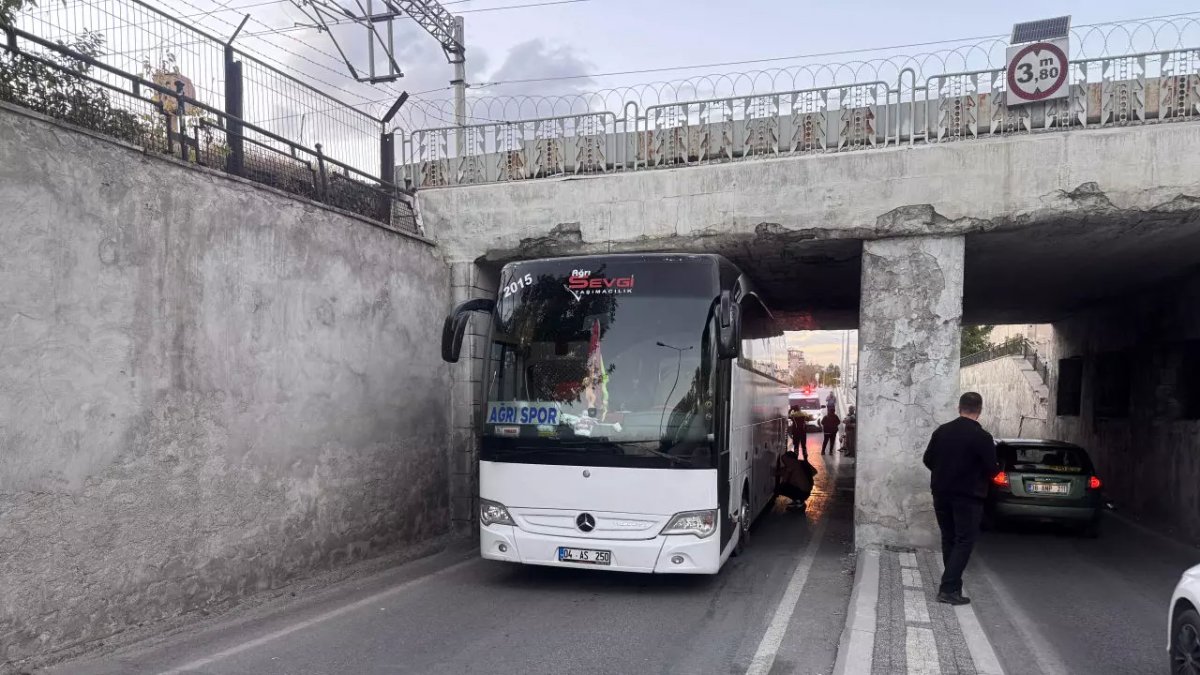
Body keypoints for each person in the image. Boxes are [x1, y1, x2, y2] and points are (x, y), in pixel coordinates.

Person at [922, 392, 998, 606]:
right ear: (980, 410)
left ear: (959, 408)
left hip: (941, 492)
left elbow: (927, 459)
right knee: (964, 540)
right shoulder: (982, 437)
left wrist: (942, 473)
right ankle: (948, 588)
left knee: (949, 538)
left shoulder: (942, 431)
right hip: (968, 497)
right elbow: (992, 468)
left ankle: (952, 586)